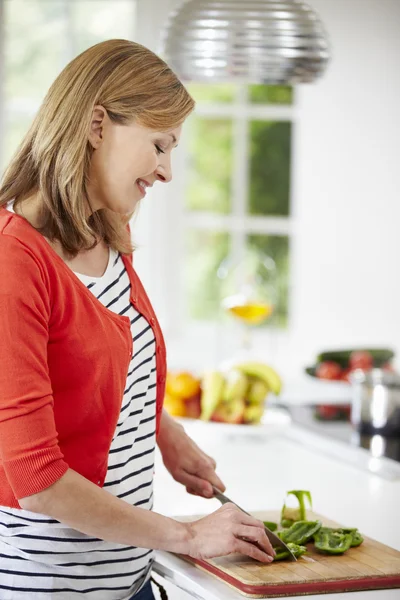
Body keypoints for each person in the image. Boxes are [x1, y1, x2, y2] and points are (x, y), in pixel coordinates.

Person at [0, 39, 275, 600]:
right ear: (97, 124)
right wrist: (189, 535)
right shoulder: (13, 262)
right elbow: (37, 480)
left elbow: (92, 379)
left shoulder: (108, 232)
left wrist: (164, 433)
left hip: (130, 582)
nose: (167, 170)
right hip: (45, 587)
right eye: (159, 144)